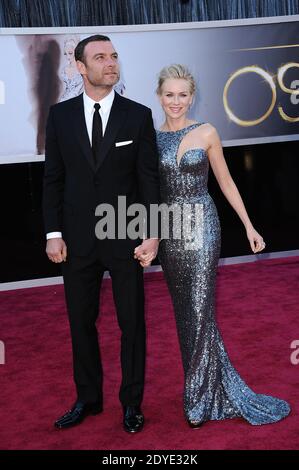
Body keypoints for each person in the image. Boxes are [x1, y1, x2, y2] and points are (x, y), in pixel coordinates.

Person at [135, 64, 290, 427]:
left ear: (192, 97)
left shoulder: (206, 132)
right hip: (171, 231)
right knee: (185, 314)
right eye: (169, 95)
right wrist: (150, 237)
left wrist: (249, 226)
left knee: (201, 309)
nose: (176, 101)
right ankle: (206, 387)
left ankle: (198, 397)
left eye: (183, 95)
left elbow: (226, 182)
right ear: (160, 97)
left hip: (203, 227)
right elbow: (151, 196)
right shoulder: (151, 139)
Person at [43, 34, 160, 433]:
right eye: (100, 57)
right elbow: (53, 179)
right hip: (75, 240)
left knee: (133, 324)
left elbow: (148, 181)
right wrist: (53, 232)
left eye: (113, 56)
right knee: (80, 322)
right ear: (80, 67)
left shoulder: (138, 115)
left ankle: (131, 403)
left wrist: (153, 233)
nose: (110, 63)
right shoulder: (59, 116)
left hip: (127, 235)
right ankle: (88, 399)